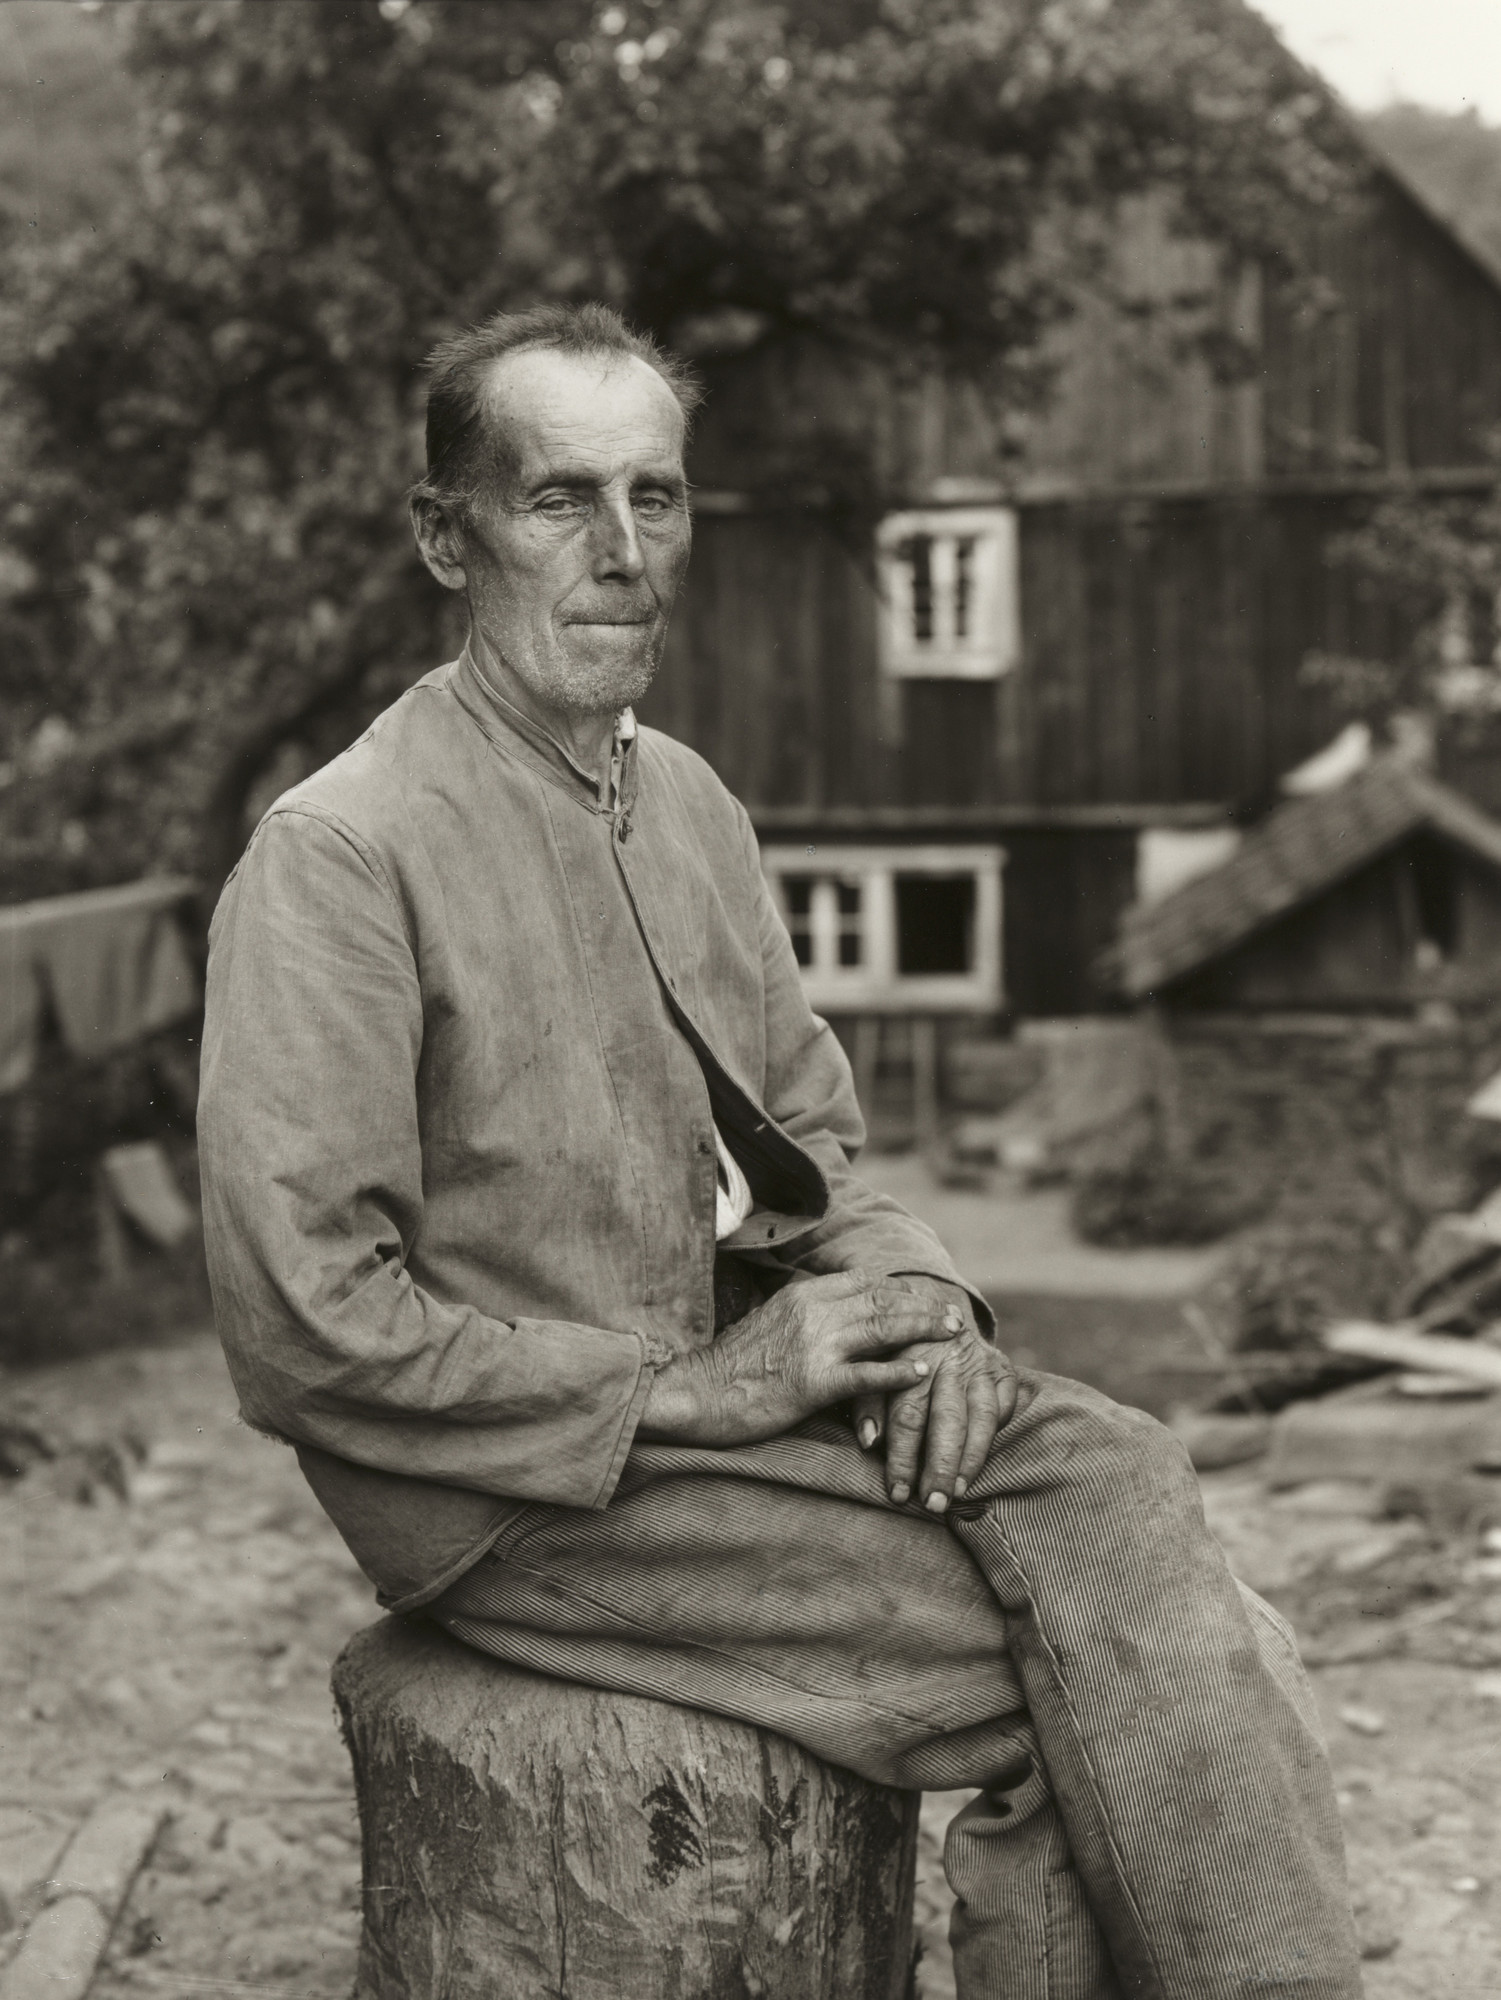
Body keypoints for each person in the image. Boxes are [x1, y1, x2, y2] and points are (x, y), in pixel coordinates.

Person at [198, 302, 1359, 1998]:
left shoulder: (683, 802)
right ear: (444, 537)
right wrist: (693, 1395)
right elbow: (302, 1322)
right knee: (1146, 1676)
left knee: (1112, 1473)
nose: (619, 556)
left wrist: (919, 1303)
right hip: (514, 1490)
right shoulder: (342, 853)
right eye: (556, 501)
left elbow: (812, 1149)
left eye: (654, 500)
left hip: (727, 1425)